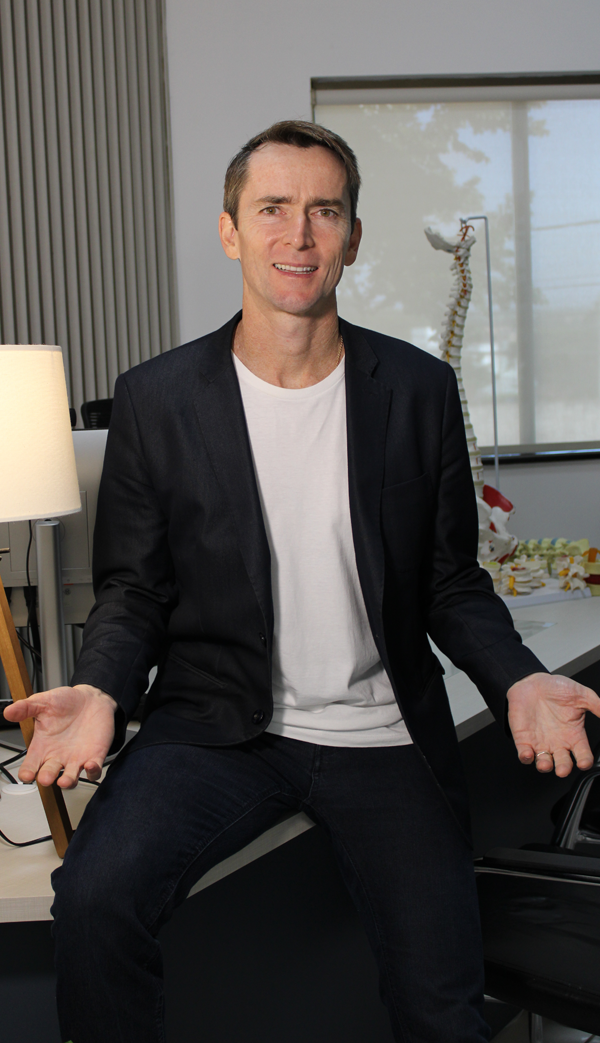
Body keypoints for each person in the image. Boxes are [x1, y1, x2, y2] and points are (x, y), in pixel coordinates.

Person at [5, 120, 600, 1043]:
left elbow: (450, 580)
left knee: (441, 1002)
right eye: (273, 209)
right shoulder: (156, 399)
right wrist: (105, 689)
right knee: (94, 898)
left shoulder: (416, 389)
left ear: (353, 237)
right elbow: (134, 589)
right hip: (214, 730)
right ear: (230, 229)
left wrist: (518, 677)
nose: (300, 235)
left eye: (325, 211)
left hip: (384, 732)